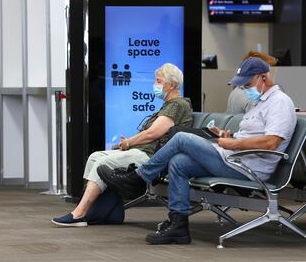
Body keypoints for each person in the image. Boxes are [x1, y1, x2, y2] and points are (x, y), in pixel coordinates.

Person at [99, 57, 296, 244]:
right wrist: (230, 138)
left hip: (250, 168)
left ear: (264, 77)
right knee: (179, 163)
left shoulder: (280, 102)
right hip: (234, 158)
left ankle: (138, 178)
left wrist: (234, 145)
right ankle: (178, 225)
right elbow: (252, 137)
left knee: (181, 138)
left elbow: (271, 142)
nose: (244, 87)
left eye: (247, 83)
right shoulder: (258, 103)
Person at [52, 63, 193, 227]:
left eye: (159, 81)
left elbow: (152, 133)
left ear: (172, 85)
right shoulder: (168, 106)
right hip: (141, 151)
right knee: (95, 157)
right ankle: (103, 212)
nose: (155, 85)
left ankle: (79, 213)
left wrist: (128, 143)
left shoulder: (177, 105)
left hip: (151, 157)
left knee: (102, 163)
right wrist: (129, 144)